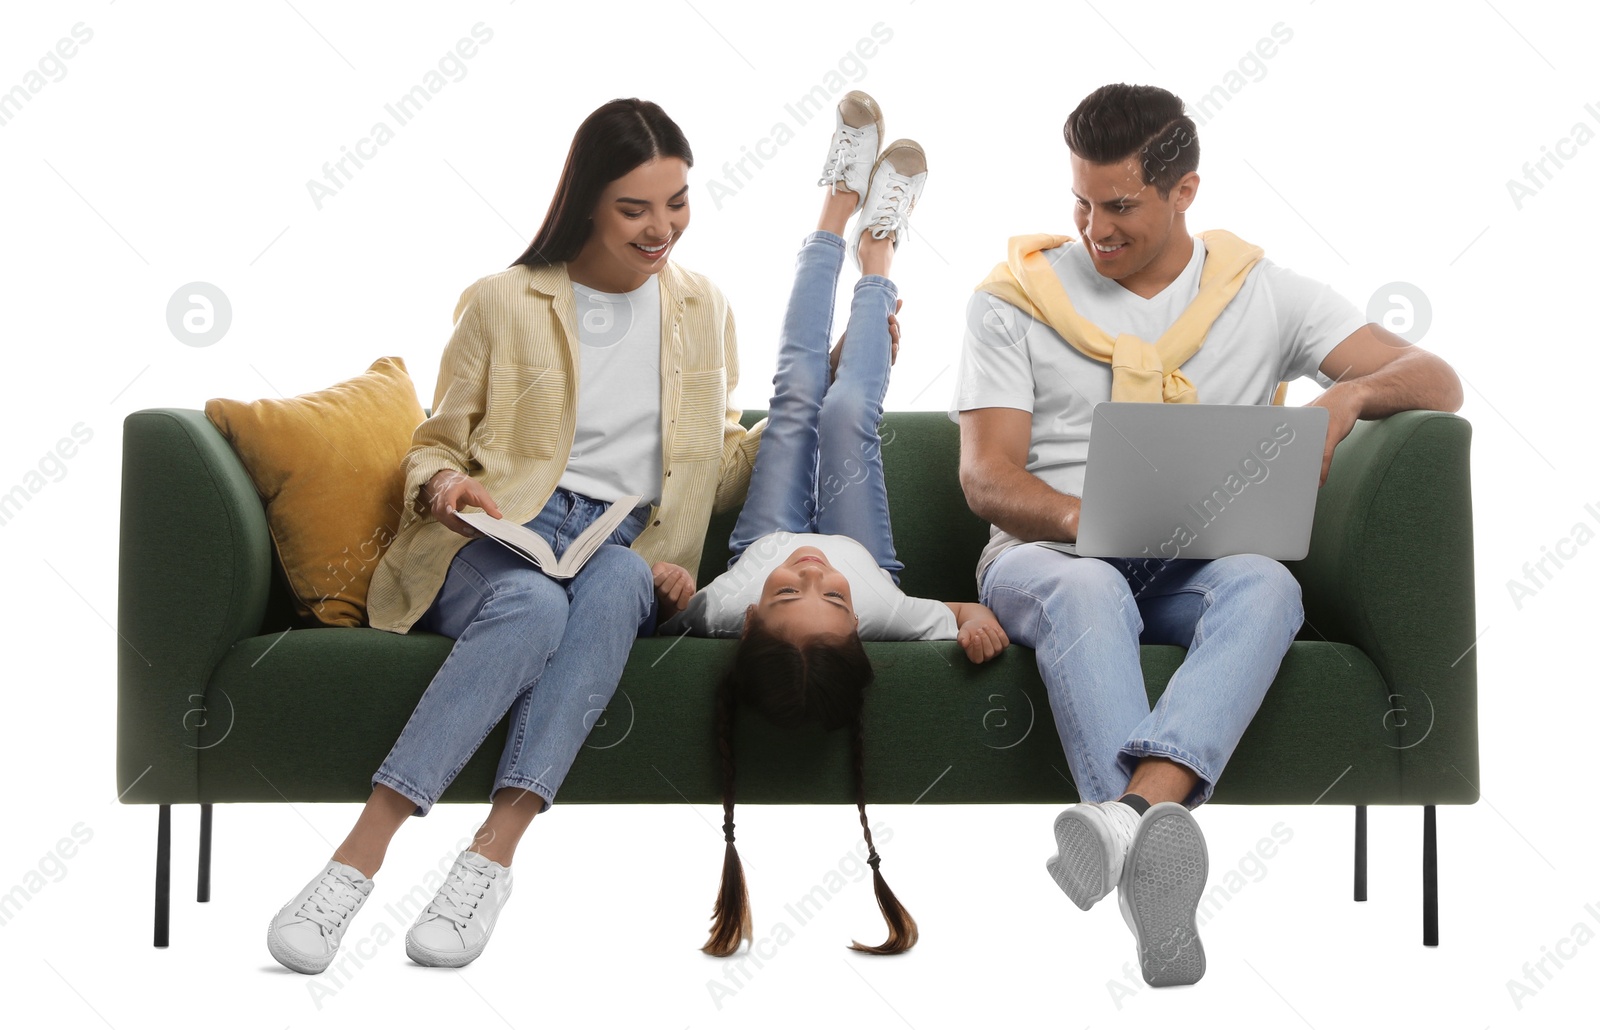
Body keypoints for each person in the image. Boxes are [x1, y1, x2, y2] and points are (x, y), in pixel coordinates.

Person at [953, 83, 1462, 987]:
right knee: (1090, 584)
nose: (1093, 229)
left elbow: (1436, 379)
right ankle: (1157, 845)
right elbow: (986, 477)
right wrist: (1096, 523)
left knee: (1270, 585)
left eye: (1119, 206)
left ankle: (1125, 823)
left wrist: (1346, 393)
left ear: (1185, 190)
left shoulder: (1262, 294)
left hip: (1194, 567)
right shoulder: (1014, 298)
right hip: (1049, 561)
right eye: (1081, 201)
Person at [267, 98, 763, 974]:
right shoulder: (505, 299)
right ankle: (357, 860)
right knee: (532, 603)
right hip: (502, 537)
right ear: (586, 203)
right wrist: (448, 486)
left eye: (678, 201)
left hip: (620, 545)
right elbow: (434, 443)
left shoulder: (704, 309)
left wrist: (818, 396)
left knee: (616, 583)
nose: (663, 229)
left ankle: (489, 861)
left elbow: (715, 468)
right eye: (635, 208)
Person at [663, 92, 1009, 958]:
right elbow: (959, 616)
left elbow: (663, 607)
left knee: (793, 395)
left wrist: (664, 588)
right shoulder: (887, 610)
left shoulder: (725, 603)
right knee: (850, 405)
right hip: (875, 545)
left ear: (750, 613)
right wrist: (976, 628)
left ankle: (837, 204)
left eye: (791, 591)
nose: (815, 570)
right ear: (864, 622)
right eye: (833, 598)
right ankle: (883, 251)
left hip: (761, 524)